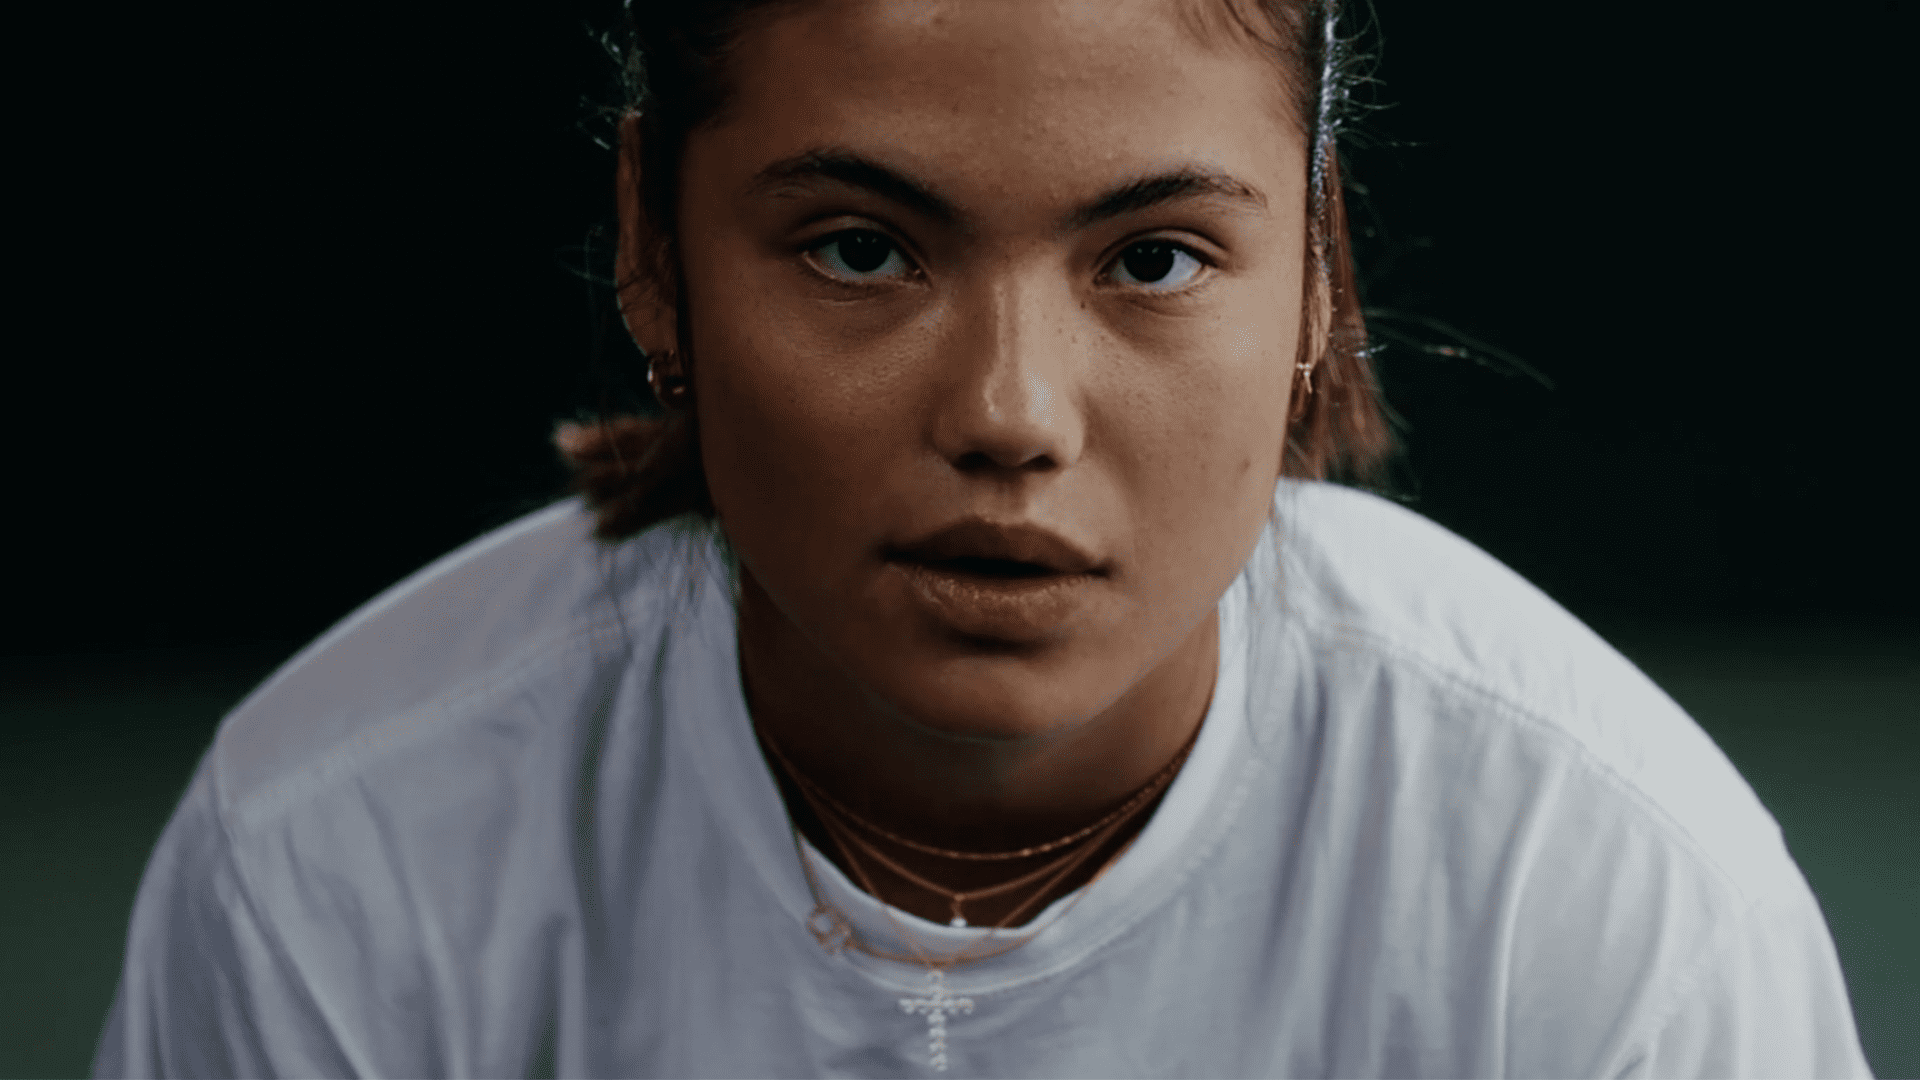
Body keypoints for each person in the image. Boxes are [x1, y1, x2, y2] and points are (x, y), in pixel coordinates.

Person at [94, 1, 1871, 1076]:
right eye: (863, 247)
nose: (1012, 412)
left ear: (1317, 269)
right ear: (651, 239)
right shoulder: (335, 856)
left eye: (1153, 257)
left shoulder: (1602, 885)